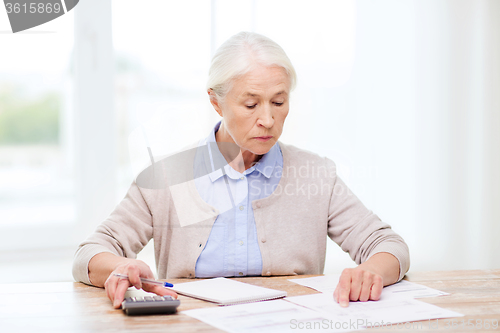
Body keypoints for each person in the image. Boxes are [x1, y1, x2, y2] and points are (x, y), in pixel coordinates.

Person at [73, 31, 409, 309]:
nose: (267, 119)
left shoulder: (314, 174)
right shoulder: (167, 177)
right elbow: (89, 254)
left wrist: (370, 270)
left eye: (279, 102)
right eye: (250, 104)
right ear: (216, 102)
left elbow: (388, 245)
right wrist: (119, 266)